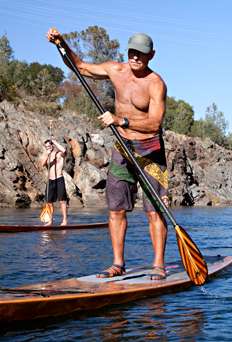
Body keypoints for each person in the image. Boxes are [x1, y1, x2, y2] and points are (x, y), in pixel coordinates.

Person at [47, 28, 169, 280]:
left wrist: (120, 120)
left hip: (151, 152)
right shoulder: (116, 70)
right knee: (115, 209)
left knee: (154, 210)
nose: (135, 57)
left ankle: (158, 265)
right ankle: (117, 264)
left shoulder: (156, 83)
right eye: (132, 52)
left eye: (141, 54)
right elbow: (79, 67)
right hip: (122, 150)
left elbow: (155, 124)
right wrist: (62, 44)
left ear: (151, 56)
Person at [39, 139, 68, 226]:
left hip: (59, 178)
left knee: (62, 201)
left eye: (49, 146)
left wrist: (55, 141)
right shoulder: (46, 155)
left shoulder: (59, 153)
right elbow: (42, 164)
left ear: (52, 145)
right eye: (46, 146)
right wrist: (48, 154)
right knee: (49, 201)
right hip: (50, 180)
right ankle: (50, 221)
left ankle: (64, 220)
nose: (48, 148)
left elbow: (64, 151)